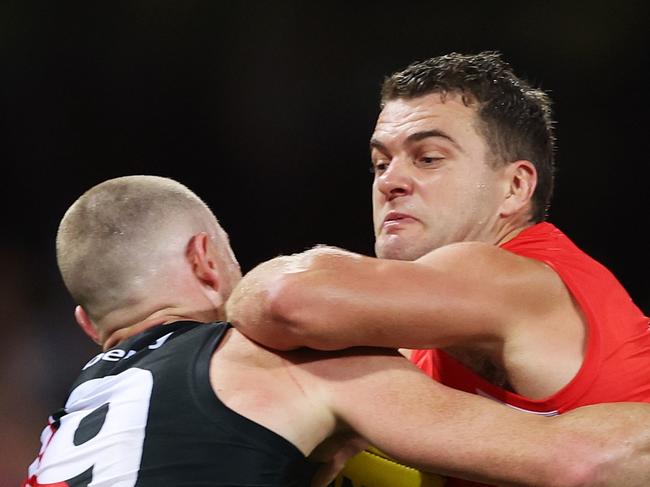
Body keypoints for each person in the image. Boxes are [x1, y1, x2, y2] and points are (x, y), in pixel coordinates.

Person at [24, 175, 650, 487]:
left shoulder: (57, 434)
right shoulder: (278, 361)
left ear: (87, 324)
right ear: (205, 261)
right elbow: (585, 459)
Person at [225, 52, 650, 486]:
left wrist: (226, 288)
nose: (390, 181)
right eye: (380, 163)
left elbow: (288, 299)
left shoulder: (514, 277)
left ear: (515, 187)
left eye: (428, 158)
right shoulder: (413, 344)